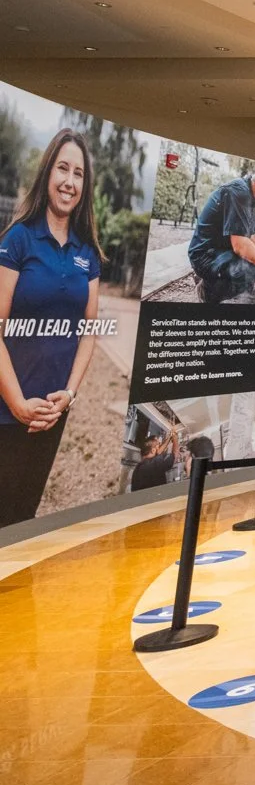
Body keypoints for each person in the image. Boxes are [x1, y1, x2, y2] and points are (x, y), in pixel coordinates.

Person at [0, 128, 105, 528]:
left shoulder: (88, 253)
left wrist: (69, 396)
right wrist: (17, 404)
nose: (69, 181)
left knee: (23, 519)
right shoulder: (19, 240)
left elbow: (89, 331)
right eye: (62, 168)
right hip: (7, 410)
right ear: (48, 173)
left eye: (78, 173)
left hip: (50, 414)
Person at [188, 167, 255, 304]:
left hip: (219, 247)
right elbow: (240, 246)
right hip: (204, 255)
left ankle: (244, 291)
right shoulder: (239, 193)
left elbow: (252, 235)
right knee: (246, 267)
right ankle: (207, 290)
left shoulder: (249, 195)